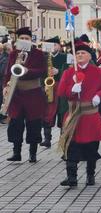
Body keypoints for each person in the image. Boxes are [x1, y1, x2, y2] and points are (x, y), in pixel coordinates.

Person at [58, 41, 101, 187]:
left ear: (90, 56)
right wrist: (72, 89)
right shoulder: (68, 72)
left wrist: (99, 96)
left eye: (83, 53)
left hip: (90, 116)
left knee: (91, 147)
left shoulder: (97, 71)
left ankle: (90, 175)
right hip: (73, 115)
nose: (79, 55)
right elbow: (61, 92)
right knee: (70, 146)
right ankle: (72, 177)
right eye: (77, 53)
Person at [5, 27, 47, 163]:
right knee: (16, 123)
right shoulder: (13, 54)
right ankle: (16, 152)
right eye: (22, 38)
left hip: (33, 93)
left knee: (33, 123)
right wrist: (5, 86)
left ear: (31, 40)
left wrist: (27, 70)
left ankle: (32, 153)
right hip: (16, 94)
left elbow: (42, 71)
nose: (24, 41)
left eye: (27, 39)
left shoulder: (38, 53)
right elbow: (7, 72)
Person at [40, 36, 67, 148]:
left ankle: (62, 141)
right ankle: (47, 139)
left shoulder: (65, 57)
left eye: (55, 45)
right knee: (47, 112)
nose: (53, 47)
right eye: (50, 46)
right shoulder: (44, 57)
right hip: (48, 87)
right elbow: (40, 73)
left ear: (59, 46)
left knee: (62, 113)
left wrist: (59, 71)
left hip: (61, 87)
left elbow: (70, 70)